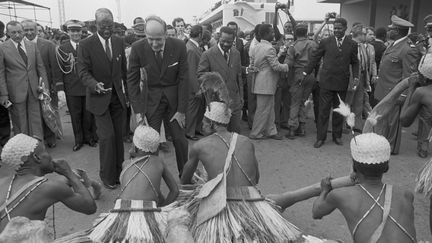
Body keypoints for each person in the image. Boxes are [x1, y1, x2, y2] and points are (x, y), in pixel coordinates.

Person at [180, 101, 301, 242]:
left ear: (212, 123)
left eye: (205, 121)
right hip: (253, 202)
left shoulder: (199, 146)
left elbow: (184, 181)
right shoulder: (246, 141)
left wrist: (203, 186)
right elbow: (256, 179)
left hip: (222, 206)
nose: (202, 124)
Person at [54, 125, 179, 242]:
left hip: (121, 210)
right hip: (147, 210)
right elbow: (175, 191)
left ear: (134, 147)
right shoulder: (159, 161)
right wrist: (162, 211)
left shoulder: (126, 164)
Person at [312, 133, 416, 242]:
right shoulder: (406, 195)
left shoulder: (339, 195)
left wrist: (324, 190)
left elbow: (316, 212)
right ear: (387, 167)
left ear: (354, 166)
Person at [127, 15, 189, 177]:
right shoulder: (137, 48)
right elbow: (132, 82)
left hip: (174, 102)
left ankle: (186, 175)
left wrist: (182, 110)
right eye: (150, 39)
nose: (154, 44)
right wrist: (139, 111)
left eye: (158, 39)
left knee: (180, 140)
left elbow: (184, 79)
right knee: (149, 142)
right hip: (151, 101)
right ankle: (151, 177)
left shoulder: (179, 46)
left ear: (166, 35)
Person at [0, 133, 96, 232]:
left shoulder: (2, 182)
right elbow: (89, 207)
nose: (50, 156)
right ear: (37, 157)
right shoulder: (50, 188)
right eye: (45, 151)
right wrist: (69, 174)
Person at [77, 8, 127, 189]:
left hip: (117, 98)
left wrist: (127, 94)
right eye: (103, 25)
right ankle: (107, 177)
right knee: (107, 137)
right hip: (99, 99)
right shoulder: (86, 44)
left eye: (110, 25)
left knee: (118, 138)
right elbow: (82, 71)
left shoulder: (119, 41)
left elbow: (124, 70)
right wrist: (93, 84)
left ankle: (120, 173)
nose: (107, 29)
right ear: (95, 25)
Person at [303, 17, 360, 148]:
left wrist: (356, 76)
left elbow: (355, 62)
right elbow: (315, 58)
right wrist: (306, 72)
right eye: (335, 28)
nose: (337, 30)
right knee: (323, 111)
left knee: (339, 111)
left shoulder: (352, 44)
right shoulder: (325, 42)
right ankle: (320, 138)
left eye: (339, 28)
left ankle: (337, 136)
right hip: (326, 82)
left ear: (345, 28)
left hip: (342, 82)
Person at [374, 15, 421, 155]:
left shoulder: (408, 49)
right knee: (384, 120)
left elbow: (409, 76)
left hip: (394, 92)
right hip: (384, 89)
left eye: (391, 28)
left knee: (392, 123)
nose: (388, 31)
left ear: (397, 30)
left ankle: (390, 148)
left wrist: (403, 95)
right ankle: (383, 143)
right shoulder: (394, 44)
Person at [0, 21, 48, 139]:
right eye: (13, 32)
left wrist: (44, 87)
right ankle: (24, 152)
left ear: (23, 31)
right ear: (8, 33)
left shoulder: (32, 45)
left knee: (36, 121)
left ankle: (38, 148)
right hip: (15, 92)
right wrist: (4, 94)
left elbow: (40, 67)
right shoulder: (2, 48)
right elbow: (1, 73)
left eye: (19, 32)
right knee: (20, 123)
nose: (17, 35)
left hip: (34, 90)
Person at [57, 19, 97, 152]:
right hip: (71, 88)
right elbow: (59, 70)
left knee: (88, 115)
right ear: (68, 32)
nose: (75, 34)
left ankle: (89, 138)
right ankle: (78, 140)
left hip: (87, 86)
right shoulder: (62, 49)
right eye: (72, 31)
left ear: (82, 32)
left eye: (78, 31)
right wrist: (60, 89)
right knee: (75, 115)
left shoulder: (88, 46)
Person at [22, 20, 62, 148]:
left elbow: (54, 67)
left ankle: (51, 137)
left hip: (46, 86)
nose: (29, 32)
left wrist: (54, 86)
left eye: (31, 29)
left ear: (36, 30)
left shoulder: (48, 45)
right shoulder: (20, 46)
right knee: (34, 115)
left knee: (48, 112)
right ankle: (37, 140)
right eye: (26, 30)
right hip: (28, 88)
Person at [197, 26, 243, 133]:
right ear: (218, 38)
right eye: (223, 41)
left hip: (234, 100)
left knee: (234, 132)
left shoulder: (236, 53)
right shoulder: (208, 54)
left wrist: (241, 97)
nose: (226, 44)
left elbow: (239, 77)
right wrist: (216, 83)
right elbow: (200, 75)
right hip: (216, 100)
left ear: (234, 40)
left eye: (229, 42)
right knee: (217, 135)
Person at [250, 24, 289, 140]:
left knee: (269, 108)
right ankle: (256, 133)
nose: (273, 34)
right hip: (266, 83)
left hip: (260, 82)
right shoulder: (269, 48)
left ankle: (271, 131)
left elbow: (257, 63)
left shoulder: (256, 47)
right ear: (265, 34)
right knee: (263, 110)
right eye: (271, 32)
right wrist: (287, 66)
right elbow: (275, 66)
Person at [285, 23, 317, 139]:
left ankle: (292, 129)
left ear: (295, 33)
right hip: (311, 74)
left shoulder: (293, 46)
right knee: (303, 101)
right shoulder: (313, 44)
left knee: (295, 102)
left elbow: (288, 63)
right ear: (306, 32)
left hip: (298, 74)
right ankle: (302, 128)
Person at [346, 25, 377, 133]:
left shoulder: (363, 46)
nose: (366, 35)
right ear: (358, 34)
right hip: (351, 76)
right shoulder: (349, 45)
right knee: (348, 101)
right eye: (364, 33)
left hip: (362, 76)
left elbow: (369, 63)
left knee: (359, 101)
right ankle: (345, 124)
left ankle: (357, 124)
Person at [400, 53, 432, 157]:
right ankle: (424, 143)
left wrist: (411, 89)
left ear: (425, 78)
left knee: (426, 115)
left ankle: (423, 145)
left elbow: (404, 120)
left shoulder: (422, 92)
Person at [185, 25, 205, 141]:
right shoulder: (191, 49)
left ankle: (196, 129)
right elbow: (191, 71)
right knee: (192, 110)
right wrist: (196, 89)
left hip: (198, 85)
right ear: (200, 34)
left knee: (198, 109)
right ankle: (190, 132)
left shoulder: (193, 46)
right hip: (193, 86)